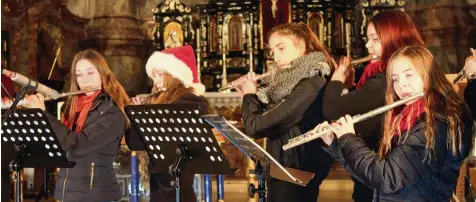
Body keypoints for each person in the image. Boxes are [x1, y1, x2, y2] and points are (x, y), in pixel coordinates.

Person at [320, 45, 473, 201]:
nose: (401, 85)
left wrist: (348, 138)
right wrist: (335, 145)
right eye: (395, 79)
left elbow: (386, 178)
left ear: (429, 75)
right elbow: (375, 179)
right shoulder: (405, 120)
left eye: (409, 75)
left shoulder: (437, 125)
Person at [320, 10, 425, 202]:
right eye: (367, 38)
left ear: (394, 38)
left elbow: (331, 108)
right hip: (373, 178)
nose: (368, 45)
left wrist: (336, 79)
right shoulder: (379, 77)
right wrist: (335, 143)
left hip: (384, 184)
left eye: (374, 39)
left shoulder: (381, 81)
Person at [4, 49, 131, 202]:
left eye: (90, 73)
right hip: (67, 194)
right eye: (78, 74)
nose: (84, 80)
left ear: (103, 74)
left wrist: (43, 114)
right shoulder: (73, 109)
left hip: (97, 196)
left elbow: (76, 145)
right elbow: (59, 147)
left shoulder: (113, 114)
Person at [235, 22, 335, 202]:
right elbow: (272, 118)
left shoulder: (312, 81)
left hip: (297, 168)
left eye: (281, 48)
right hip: (284, 165)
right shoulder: (287, 85)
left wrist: (250, 97)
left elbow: (257, 126)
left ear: (301, 47)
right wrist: (251, 98)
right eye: (272, 51)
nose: (276, 57)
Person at [125, 45, 208, 202]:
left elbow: (169, 135)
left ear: (174, 75)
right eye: (154, 75)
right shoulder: (157, 103)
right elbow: (135, 143)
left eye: (160, 74)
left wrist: (146, 115)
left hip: (178, 186)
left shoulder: (191, 101)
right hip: (158, 187)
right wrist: (136, 116)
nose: (156, 80)